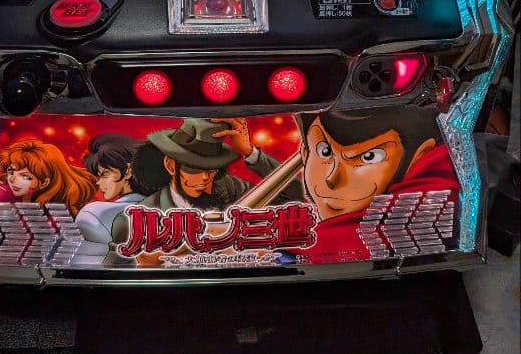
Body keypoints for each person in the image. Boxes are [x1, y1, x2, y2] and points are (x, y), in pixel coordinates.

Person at [295, 105, 460, 260]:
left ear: (419, 156)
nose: (332, 179)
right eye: (325, 151)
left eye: (369, 157)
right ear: (305, 153)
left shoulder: (441, 182)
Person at [110, 116, 301, 247]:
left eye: (211, 169)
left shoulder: (230, 188)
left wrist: (251, 153)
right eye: (194, 169)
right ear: (171, 165)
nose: (204, 178)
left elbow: (296, 197)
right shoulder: (135, 220)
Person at [0, 138, 96, 222]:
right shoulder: (3, 191)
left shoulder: (56, 210)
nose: (13, 179)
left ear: (44, 183)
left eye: (25, 176)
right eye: (11, 171)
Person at [75, 135, 144, 255]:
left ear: (128, 171)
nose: (98, 182)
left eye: (104, 174)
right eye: (98, 176)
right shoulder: (165, 206)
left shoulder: (93, 214)